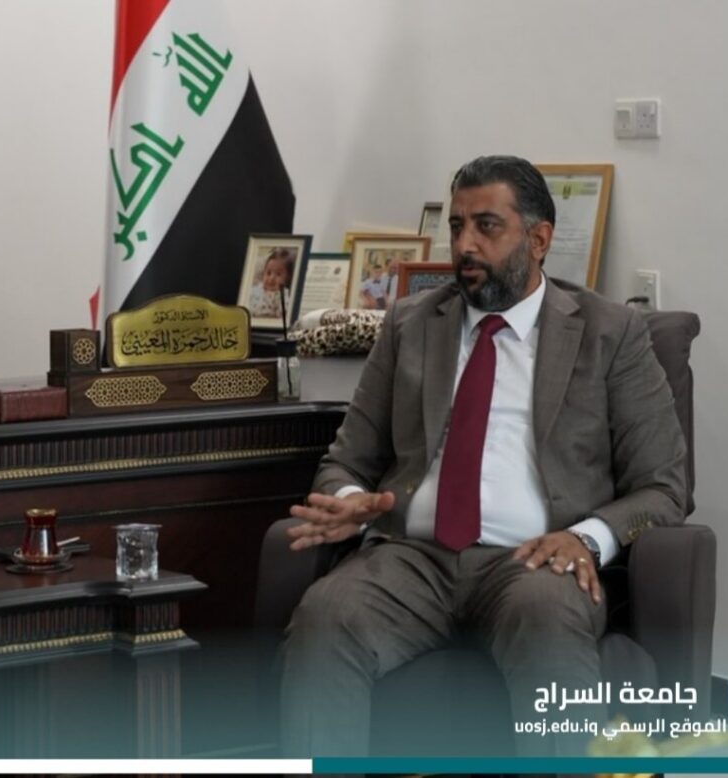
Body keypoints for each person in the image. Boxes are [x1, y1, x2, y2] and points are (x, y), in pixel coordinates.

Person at [279, 155, 688, 757]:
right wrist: (350, 500)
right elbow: (346, 460)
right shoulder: (411, 324)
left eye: (486, 226)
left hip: (535, 562)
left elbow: (664, 486)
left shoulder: (611, 333)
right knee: (326, 616)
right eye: (457, 226)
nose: (464, 245)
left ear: (539, 239)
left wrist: (587, 538)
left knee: (547, 621)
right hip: (413, 558)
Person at [248, 248, 295, 318]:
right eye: (268, 273)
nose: (272, 278)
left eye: (278, 274)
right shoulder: (256, 288)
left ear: (287, 278)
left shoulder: (282, 295)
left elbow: (283, 314)